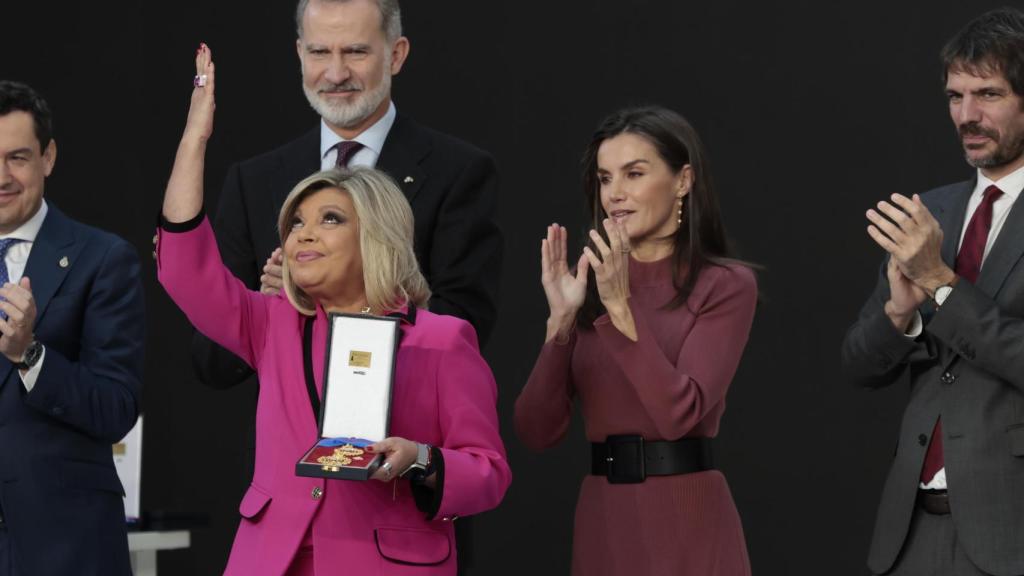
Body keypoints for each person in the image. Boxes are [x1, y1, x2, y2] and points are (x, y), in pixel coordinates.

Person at [157, 46, 509, 576]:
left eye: (329, 219)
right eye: (295, 222)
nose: (304, 234)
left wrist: (419, 457)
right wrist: (194, 141)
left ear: (377, 235)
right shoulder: (271, 324)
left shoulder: (441, 339)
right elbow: (186, 268)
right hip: (271, 559)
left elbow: (488, 473)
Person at [514, 106, 757, 576]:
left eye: (634, 174)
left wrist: (620, 309)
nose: (615, 194)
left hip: (687, 516)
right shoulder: (589, 282)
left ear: (683, 180)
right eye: (605, 179)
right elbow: (535, 431)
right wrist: (561, 324)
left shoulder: (724, 284)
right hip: (602, 518)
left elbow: (678, 414)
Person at [841, 8, 1024, 576]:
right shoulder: (932, 211)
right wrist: (899, 314)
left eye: (987, 94)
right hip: (910, 533)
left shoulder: (927, 244)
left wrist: (942, 285)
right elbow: (859, 366)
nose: (966, 116)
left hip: (1012, 535)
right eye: (954, 96)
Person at [0, 81, 145, 576]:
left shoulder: (103, 259)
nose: (2, 176)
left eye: (17, 157)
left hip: (66, 545)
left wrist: (30, 354)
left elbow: (115, 408)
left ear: (49, 157)